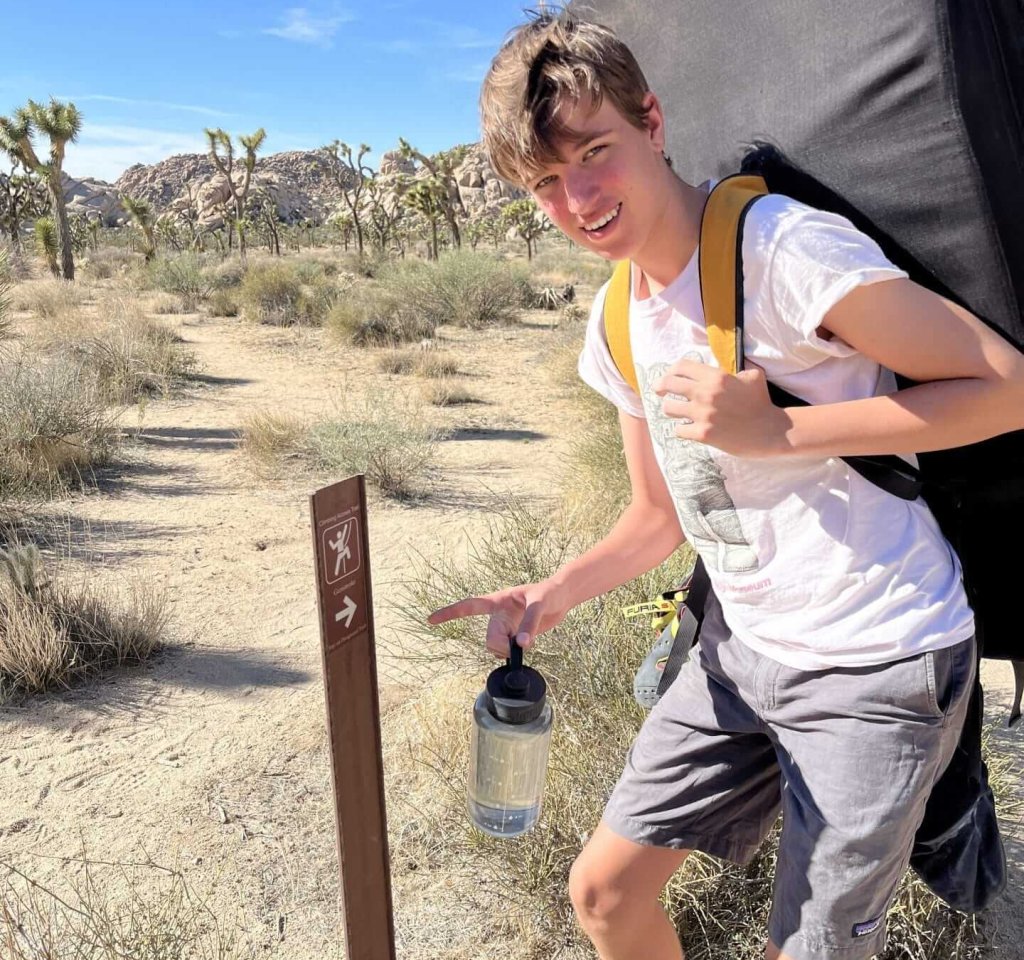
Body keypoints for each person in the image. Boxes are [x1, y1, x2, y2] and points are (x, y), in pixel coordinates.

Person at [428, 10, 1024, 960]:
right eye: (545, 183)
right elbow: (658, 516)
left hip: (877, 654)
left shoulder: (781, 252)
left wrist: (780, 428)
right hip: (744, 651)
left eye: (594, 152)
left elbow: (1004, 385)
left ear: (653, 122)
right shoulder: (618, 315)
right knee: (605, 894)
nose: (578, 199)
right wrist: (548, 595)